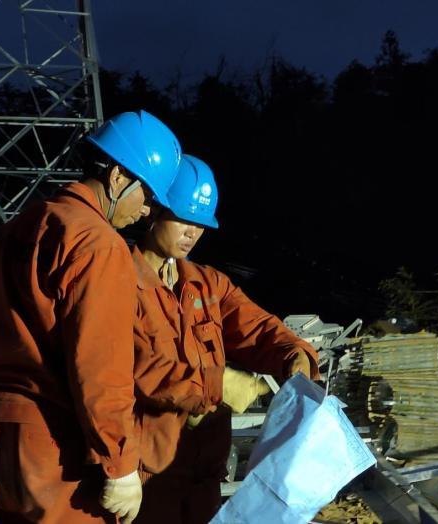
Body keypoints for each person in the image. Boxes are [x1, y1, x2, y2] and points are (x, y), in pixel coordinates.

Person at [0, 110, 182, 523]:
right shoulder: (98, 243)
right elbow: (100, 364)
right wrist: (120, 462)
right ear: (118, 177)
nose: (146, 212)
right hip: (54, 449)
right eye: (148, 196)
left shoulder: (23, 225)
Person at [130, 154, 319, 524]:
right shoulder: (118, 282)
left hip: (204, 478)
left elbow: (258, 329)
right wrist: (216, 384)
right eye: (183, 219)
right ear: (153, 209)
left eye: (201, 224)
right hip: (145, 480)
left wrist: (294, 355)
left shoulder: (207, 285)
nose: (192, 233)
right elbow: (125, 367)